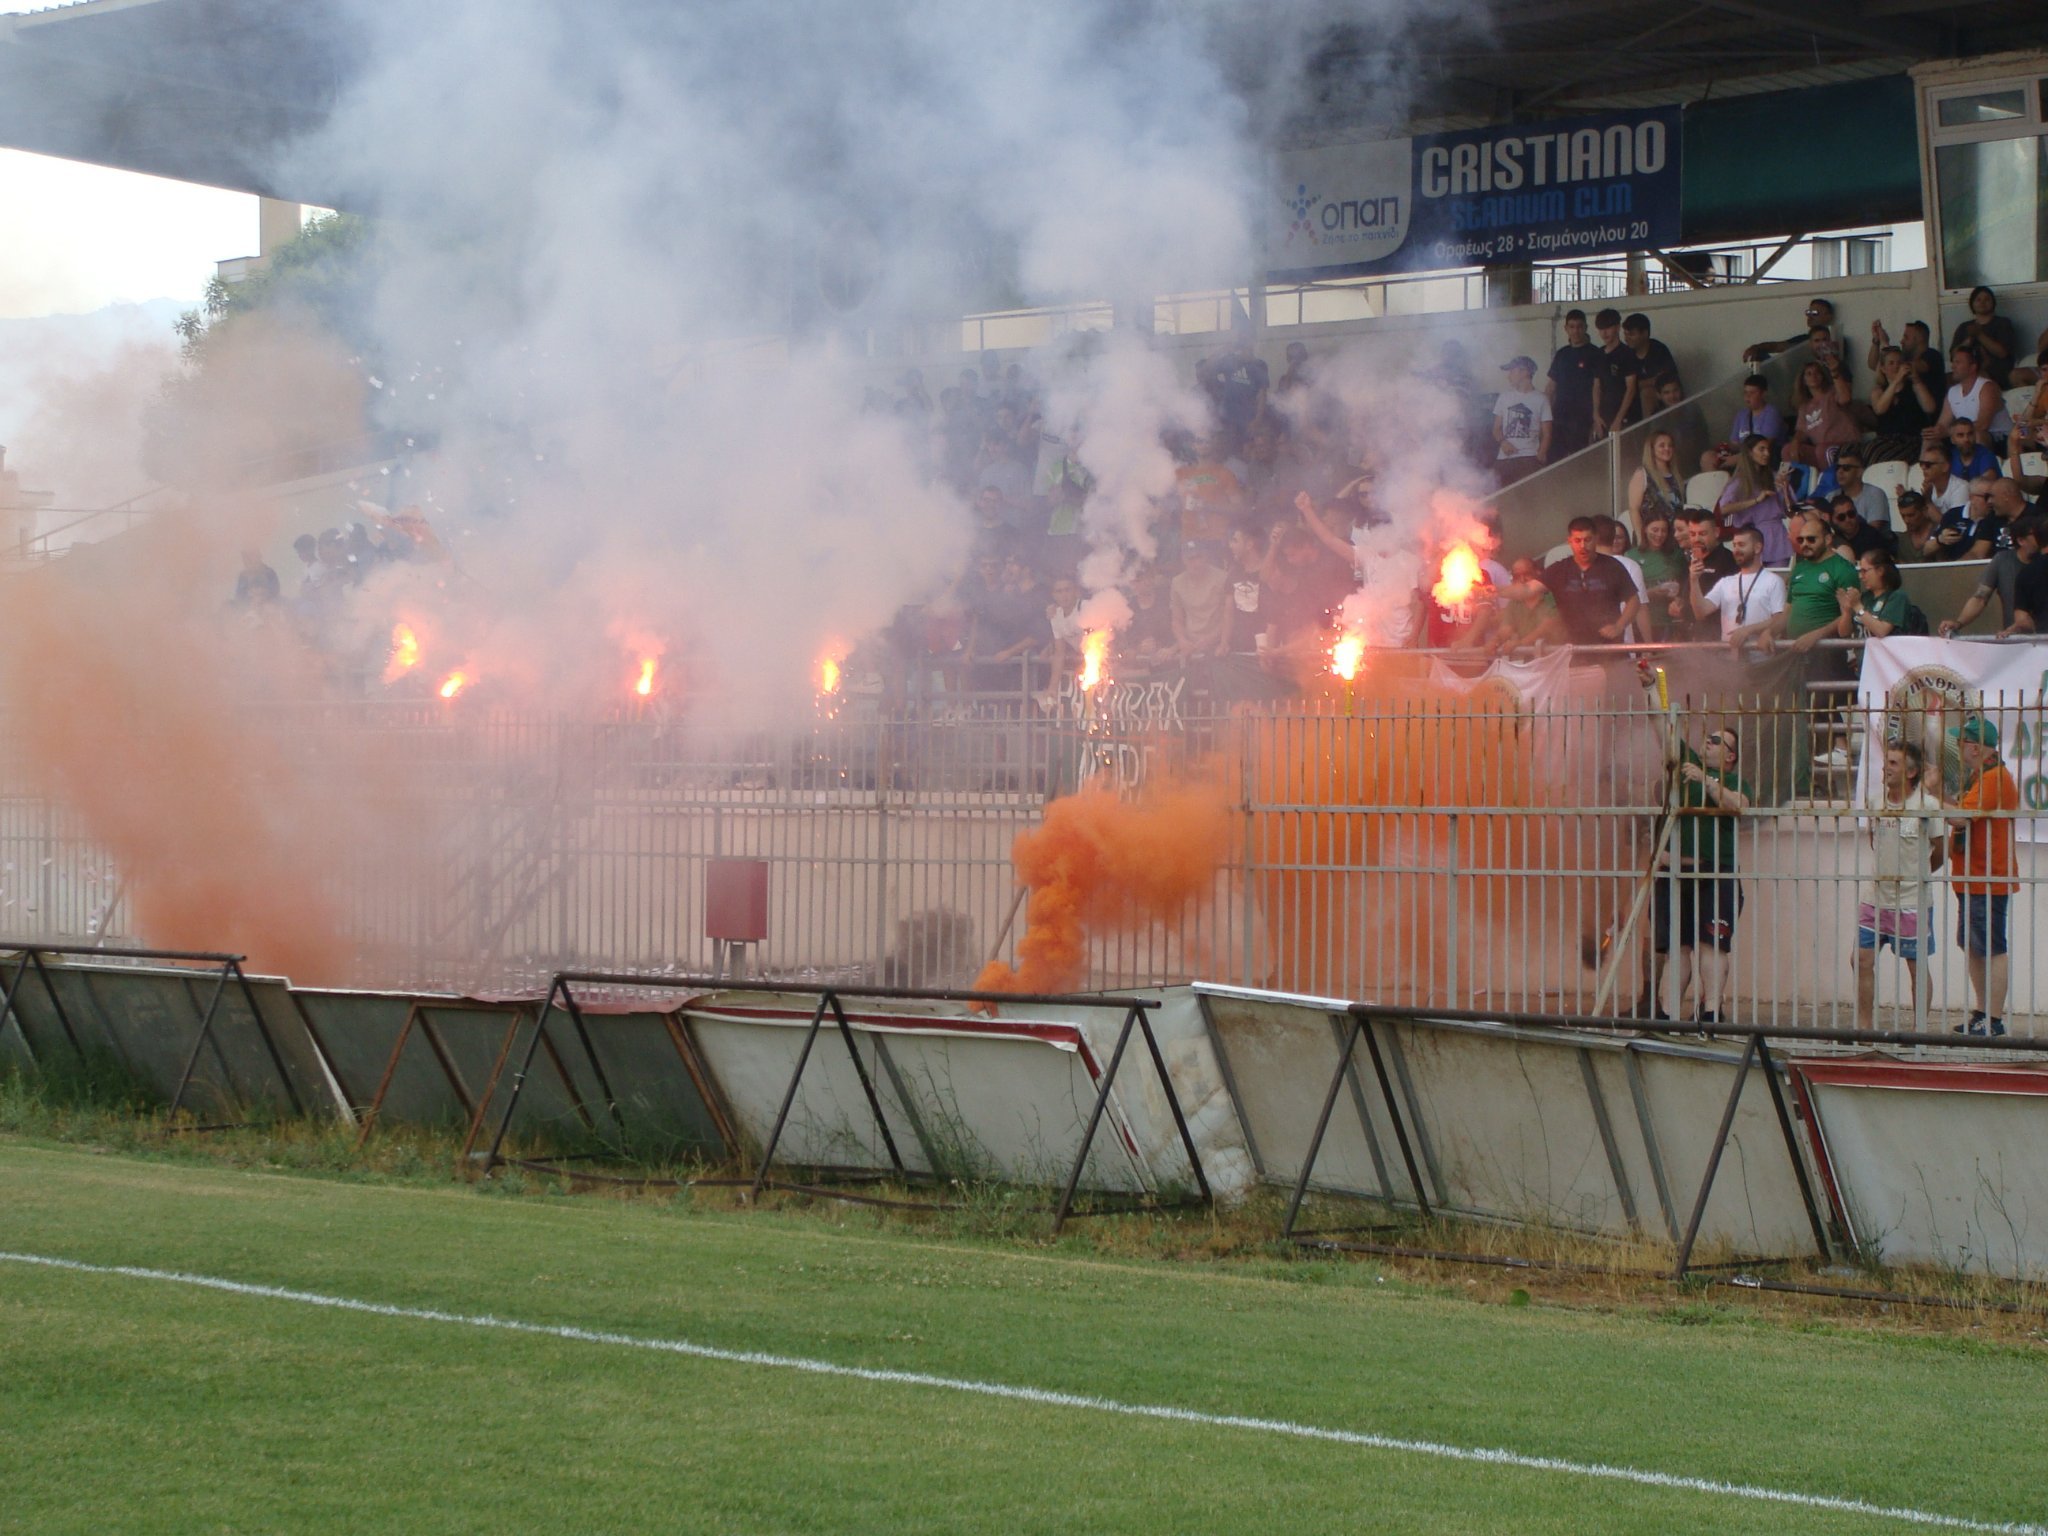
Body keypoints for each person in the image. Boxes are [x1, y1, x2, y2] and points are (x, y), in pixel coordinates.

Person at [1641, 722, 1753, 1027]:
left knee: (1711, 945)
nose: (1708, 741)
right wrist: (1651, 684)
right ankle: (1670, 1015)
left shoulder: (1734, 781)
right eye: (1708, 737)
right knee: (1677, 948)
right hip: (1674, 873)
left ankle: (1711, 1012)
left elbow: (1738, 807)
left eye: (1717, 740)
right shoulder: (1685, 767)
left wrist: (1707, 780)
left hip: (1714, 872)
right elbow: (1661, 729)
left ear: (1730, 755)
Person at [1855, 741, 1945, 1031]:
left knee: (1916, 966)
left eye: (1893, 763)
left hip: (1911, 900)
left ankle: (1921, 1031)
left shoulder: (1927, 807)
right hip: (1875, 898)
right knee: (1861, 959)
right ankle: (1864, 1027)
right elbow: (1874, 841)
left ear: (1911, 772)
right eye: (1886, 762)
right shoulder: (1874, 800)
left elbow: (1940, 850)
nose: (1886, 768)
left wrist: (1916, 875)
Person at [1945, 716, 2019, 1036]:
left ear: (1975, 747)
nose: (1957, 748)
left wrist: (1932, 793)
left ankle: (1993, 1018)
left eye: (1961, 742)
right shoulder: (1978, 777)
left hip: (1988, 877)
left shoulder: (1994, 778)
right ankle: (1983, 1012)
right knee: (1974, 944)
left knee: (1989, 945)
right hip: (1973, 876)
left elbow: (1960, 818)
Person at [1521, 516, 1640, 646]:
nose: (1583, 545)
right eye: (1578, 540)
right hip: (1574, 652)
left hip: (1610, 652)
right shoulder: (1559, 569)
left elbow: (1634, 601)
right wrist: (1498, 590)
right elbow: (1527, 590)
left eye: (1587, 540)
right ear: (1570, 541)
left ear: (1596, 539)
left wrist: (1619, 626)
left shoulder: (1613, 566)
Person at [1943, 515, 2047, 638]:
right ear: (2021, 540)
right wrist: (1959, 623)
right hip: (2015, 640)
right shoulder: (2003, 560)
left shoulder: (2038, 565)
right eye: (2035, 534)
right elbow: (1980, 597)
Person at [1689, 526, 1785, 657]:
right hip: (1730, 659)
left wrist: (1748, 630)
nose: (1736, 550)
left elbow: (1779, 619)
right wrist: (1694, 581)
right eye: (1734, 545)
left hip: (1760, 658)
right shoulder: (1726, 582)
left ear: (1757, 548)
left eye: (1741, 545)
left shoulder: (1773, 581)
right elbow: (1700, 612)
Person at [1716, 434, 1792, 566]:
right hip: (1750, 537)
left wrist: (1785, 488)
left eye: (1768, 449)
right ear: (1750, 453)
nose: (1766, 453)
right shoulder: (1739, 481)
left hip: (1776, 536)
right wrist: (1756, 500)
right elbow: (1723, 509)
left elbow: (1789, 511)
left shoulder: (1774, 477)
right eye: (1761, 449)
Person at [1669, 507, 1739, 641]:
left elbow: (1727, 603)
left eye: (1702, 533)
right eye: (1693, 534)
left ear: (1716, 532)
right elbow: (1686, 597)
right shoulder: (1691, 561)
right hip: (1691, 639)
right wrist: (1678, 604)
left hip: (1717, 639)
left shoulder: (1729, 561)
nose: (1697, 539)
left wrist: (1685, 611)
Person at [1929, 343, 2010, 449]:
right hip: (1964, 437)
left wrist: (1951, 432)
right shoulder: (1952, 391)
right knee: (1930, 440)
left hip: (1998, 439)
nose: (1953, 366)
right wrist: (1935, 432)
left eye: (1958, 362)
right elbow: (1942, 424)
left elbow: (1983, 424)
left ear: (1972, 367)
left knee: (1977, 435)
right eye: (1953, 362)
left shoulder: (1987, 387)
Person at [1867, 343, 1939, 463]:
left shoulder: (1914, 386)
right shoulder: (1878, 391)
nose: (1896, 366)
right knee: (1869, 451)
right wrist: (1895, 382)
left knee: (1881, 456)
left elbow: (1930, 408)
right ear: (1883, 369)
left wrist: (1916, 379)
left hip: (1911, 439)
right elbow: (1880, 409)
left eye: (1899, 363)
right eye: (1891, 363)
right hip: (1886, 440)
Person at [1786, 357, 1859, 472]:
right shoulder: (1804, 406)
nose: (1813, 376)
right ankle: (1791, 488)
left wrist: (1835, 372)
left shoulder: (1832, 392)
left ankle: (1830, 486)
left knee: (1821, 450)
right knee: (1787, 450)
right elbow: (1801, 431)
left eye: (1817, 372)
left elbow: (1845, 399)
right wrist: (1795, 442)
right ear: (1803, 380)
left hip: (1846, 446)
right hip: (1822, 450)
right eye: (1809, 374)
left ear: (1823, 375)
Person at [1545, 309, 1601, 455]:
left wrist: (1596, 417)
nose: (1575, 331)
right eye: (1572, 326)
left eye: (1579, 326)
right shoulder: (1561, 354)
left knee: (1581, 459)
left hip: (1584, 418)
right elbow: (1551, 387)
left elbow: (1598, 387)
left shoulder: (1596, 353)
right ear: (1566, 328)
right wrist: (1544, 415)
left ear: (1586, 328)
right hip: (1560, 417)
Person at [1492, 355, 1552, 487]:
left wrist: (1540, 456)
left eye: (1512, 371)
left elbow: (1547, 433)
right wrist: (1503, 442)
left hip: (1529, 457)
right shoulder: (1504, 397)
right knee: (1499, 498)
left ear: (1524, 372)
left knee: (1528, 499)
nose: (1509, 376)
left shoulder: (1541, 399)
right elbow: (1496, 428)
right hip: (1504, 458)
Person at [1171, 540, 1231, 661]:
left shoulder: (1222, 578)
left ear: (1206, 556)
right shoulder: (1177, 582)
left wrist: (1211, 638)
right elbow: (1177, 619)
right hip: (1190, 648)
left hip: (1217, 647)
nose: (1195, 563)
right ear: (1184, 560)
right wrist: (1182, 641)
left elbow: (1229, 616)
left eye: (1199, 557)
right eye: (1190, 559)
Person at [1952, 285, 2022, 390]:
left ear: (1993, 303)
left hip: (1997, 374)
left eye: (1987, 299)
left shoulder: (2003, 323)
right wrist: (1968, 340)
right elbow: (1954, 355)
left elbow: (2002, 353)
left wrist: (1979, 335)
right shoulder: (1964, 327)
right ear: (1972, 303)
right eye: (1978, 299)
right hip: (1968, 372)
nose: (1982, 302)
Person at [1624, 430, 1688, 538]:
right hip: (1651, 538)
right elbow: (1634, 509)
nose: (1667, 449)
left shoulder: (1676, 476)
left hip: (1673, 538)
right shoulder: (1642, 474)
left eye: (1670, 445)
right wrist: (1641, 538)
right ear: (1652, 449)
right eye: (1662, 446)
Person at [1619, 313, 1679, 426]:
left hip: (1661, 405)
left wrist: (1639, 385)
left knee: (1647, 393)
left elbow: (1665, 380)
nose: (1627, 339)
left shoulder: (1659, 350)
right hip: (1632, 405)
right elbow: (1623, 386)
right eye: (1625, 334)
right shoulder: (1626, 354)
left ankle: (1649, 434)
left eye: (1631, 334)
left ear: (1645, 333)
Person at [1634, 511, 1685, 640]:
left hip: (1669, 621)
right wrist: (1651, 592)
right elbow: (1628, 595)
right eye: (1655, 530)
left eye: (1664, 531)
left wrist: (1679, 598)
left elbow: (1685, 583)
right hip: (1642, 622)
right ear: (1645, 529)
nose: (1659, 535)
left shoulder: (1677, 555)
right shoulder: (1632, 555)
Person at [1839, 547, 1910, 640]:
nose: (1861, 576)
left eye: (1864, 571)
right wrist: (1847, 612)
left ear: (1880, 571)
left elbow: (1881, 631)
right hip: (1861, 653)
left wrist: (1857, 606)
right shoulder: (1864, 598)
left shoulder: (1897, 597)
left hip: (1881, 653)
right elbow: (1843, 633)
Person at [1746, 296, 1839, 365]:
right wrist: (1756, 348)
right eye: (1808, 313)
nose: (1809, 316)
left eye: (1814, 313)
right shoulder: (1803, 338)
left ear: (1828, 317)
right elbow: (1777, 346)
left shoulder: (1835, 339)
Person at [1590, 308, 1637, 438]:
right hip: (1604, 417)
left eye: (1608, 328)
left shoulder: (1627, 354)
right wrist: (1596, 415)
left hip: (1625, 417)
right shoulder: (1598, 354)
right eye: (1601, 329)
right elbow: (1596, 386)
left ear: (1617, 327)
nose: (1604, 333)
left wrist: (1618, 420)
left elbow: (1631, 388)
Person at [1720, 374, 1786, 462]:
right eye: (1745, 392)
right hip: (1743, 455)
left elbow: (1764, 446)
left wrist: (1736, 459)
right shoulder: (1741, 414)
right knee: (1709, 457)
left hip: (1764, 459)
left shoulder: (1771, 413)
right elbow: (1734, 443)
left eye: (1752, 393)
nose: (1747, 396)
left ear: (1763, 394)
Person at [1826, 492, 1897, 562]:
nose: (1847, 520)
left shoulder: (1872, 536)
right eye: (1841, 517)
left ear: (1857, 513)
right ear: (1833, 520)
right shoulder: (1832, 538)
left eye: (1851, 514)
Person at [1830, 449, 1890, 528]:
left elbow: (1873, 530)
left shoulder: (1875, 494)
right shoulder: (1831, 496)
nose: (1840, 471)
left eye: (1846, 467)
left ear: (1860, 472)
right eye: (1838, 467)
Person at [1945, 418, 2001, 482]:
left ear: (1975, 435)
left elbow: (1988, 481)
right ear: (1952, 439)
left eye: (1970, 434)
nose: (1966, 439)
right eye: (1960, 435)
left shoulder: (1985, 455)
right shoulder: (1950, 456)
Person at [1894, 490, 1940, 562]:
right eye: (1903, 516)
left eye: (1911, 515)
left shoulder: (1939, 533)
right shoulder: (1902, 540)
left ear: (1924, 511)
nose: (1906, 521)